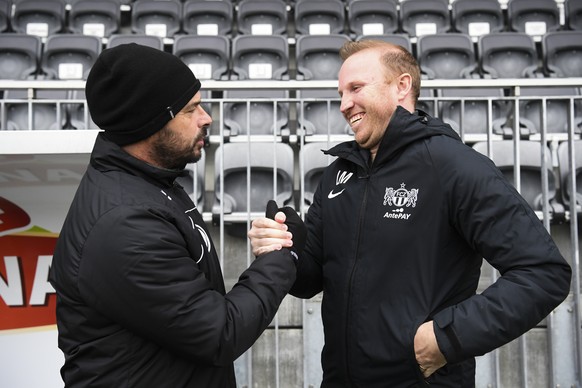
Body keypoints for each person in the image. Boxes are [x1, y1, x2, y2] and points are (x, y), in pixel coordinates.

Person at [249, 40, 572, 387]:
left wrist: (446, 337)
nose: (344, 104)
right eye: (341, 92)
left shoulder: (453, 165)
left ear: (402, 86)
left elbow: (542, 272)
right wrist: (288, 247)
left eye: (356, 88)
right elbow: (312, 277)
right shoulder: (339, 173)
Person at [49, 43, 302, 388]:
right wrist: (276, 260)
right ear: (150, 122)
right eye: (191, 109)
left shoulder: (151, 182)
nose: (207, 117)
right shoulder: (126, 224)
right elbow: (218, 333)